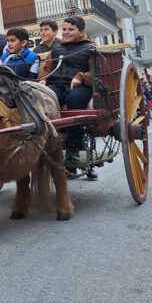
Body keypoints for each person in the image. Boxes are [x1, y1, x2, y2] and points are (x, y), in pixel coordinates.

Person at [41, 15, 97, 180]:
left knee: (74, 99)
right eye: (64, 29)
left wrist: (81, 76)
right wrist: (43, 79)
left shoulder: (90, 49)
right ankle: (47, 145)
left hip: (81, 88)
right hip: (57, 86)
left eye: (71, 29)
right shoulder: (56, 49)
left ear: (81, 32)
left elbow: (97, 73)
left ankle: (74, 147)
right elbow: (47, 70)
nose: (66, 32)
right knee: (43, 98)